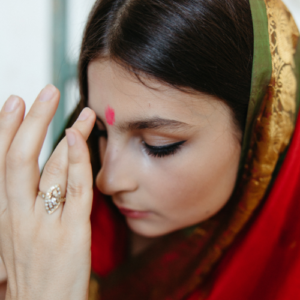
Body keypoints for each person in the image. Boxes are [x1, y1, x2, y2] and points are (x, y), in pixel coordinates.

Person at [0, 0, 299, 299]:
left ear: (261, 127)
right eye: (100, 132)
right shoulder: (47, 239)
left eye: (159, 146)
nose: (108, 180)